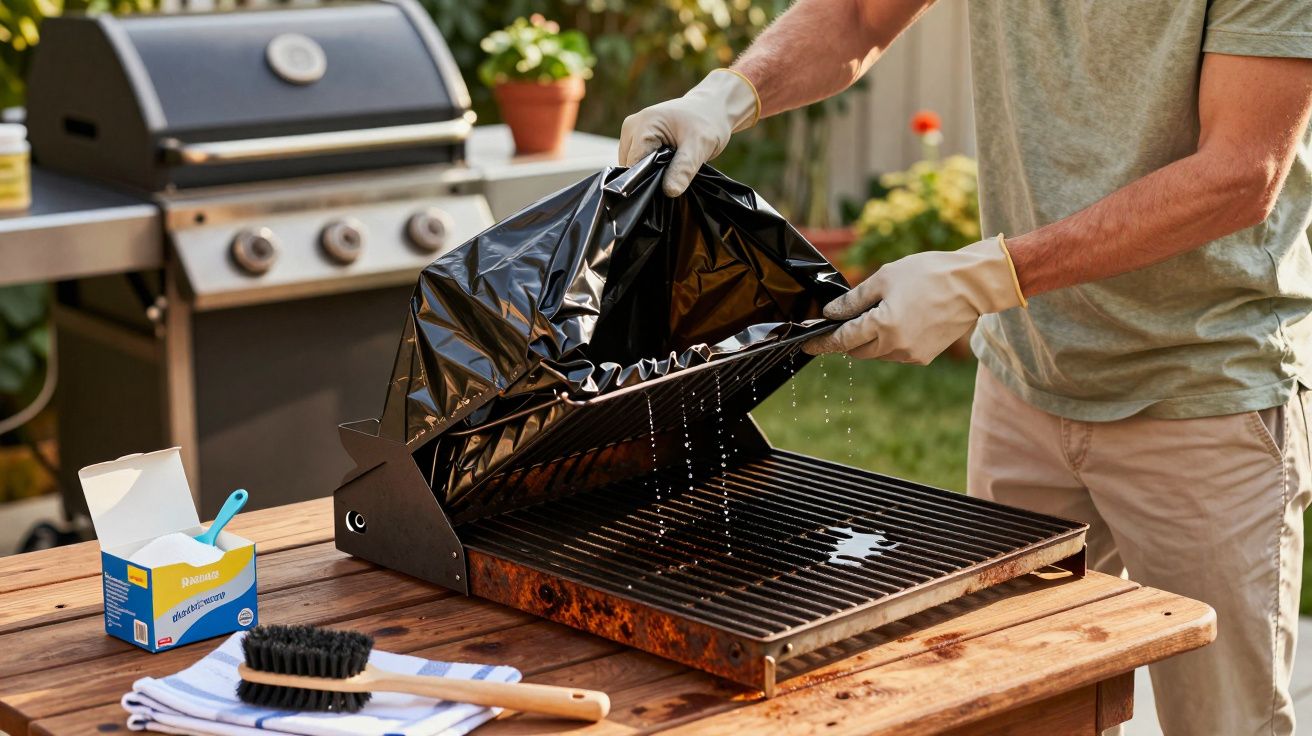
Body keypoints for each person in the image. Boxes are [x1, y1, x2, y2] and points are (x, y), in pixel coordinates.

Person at [620, 1, 1312, 733]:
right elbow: (859, 14)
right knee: (1019, 712)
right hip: (1025, 379)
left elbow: (1242, 170)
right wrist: (726, 93)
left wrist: (983, 277)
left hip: (1203, 396)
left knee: (1225, 724)